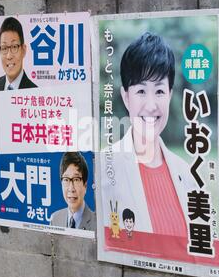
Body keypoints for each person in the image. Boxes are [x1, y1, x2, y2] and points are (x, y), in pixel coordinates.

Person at [101, 32, 197, 242]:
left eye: (160, 91)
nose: (152, 105)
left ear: (170, 94)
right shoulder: (103, 166)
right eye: (141, 91)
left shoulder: (187, 174)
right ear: (126, 97)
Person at [51, 152, 96, 231]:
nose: (71, 188)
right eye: (66, 179)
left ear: (85, 185)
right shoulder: (55, 219)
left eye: (76, 179)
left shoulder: (96, 223)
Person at [0, 17, 37, 91]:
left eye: (14, 47)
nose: (9, 56)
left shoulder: (35, 91)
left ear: (23, 50)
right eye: (4, 48)